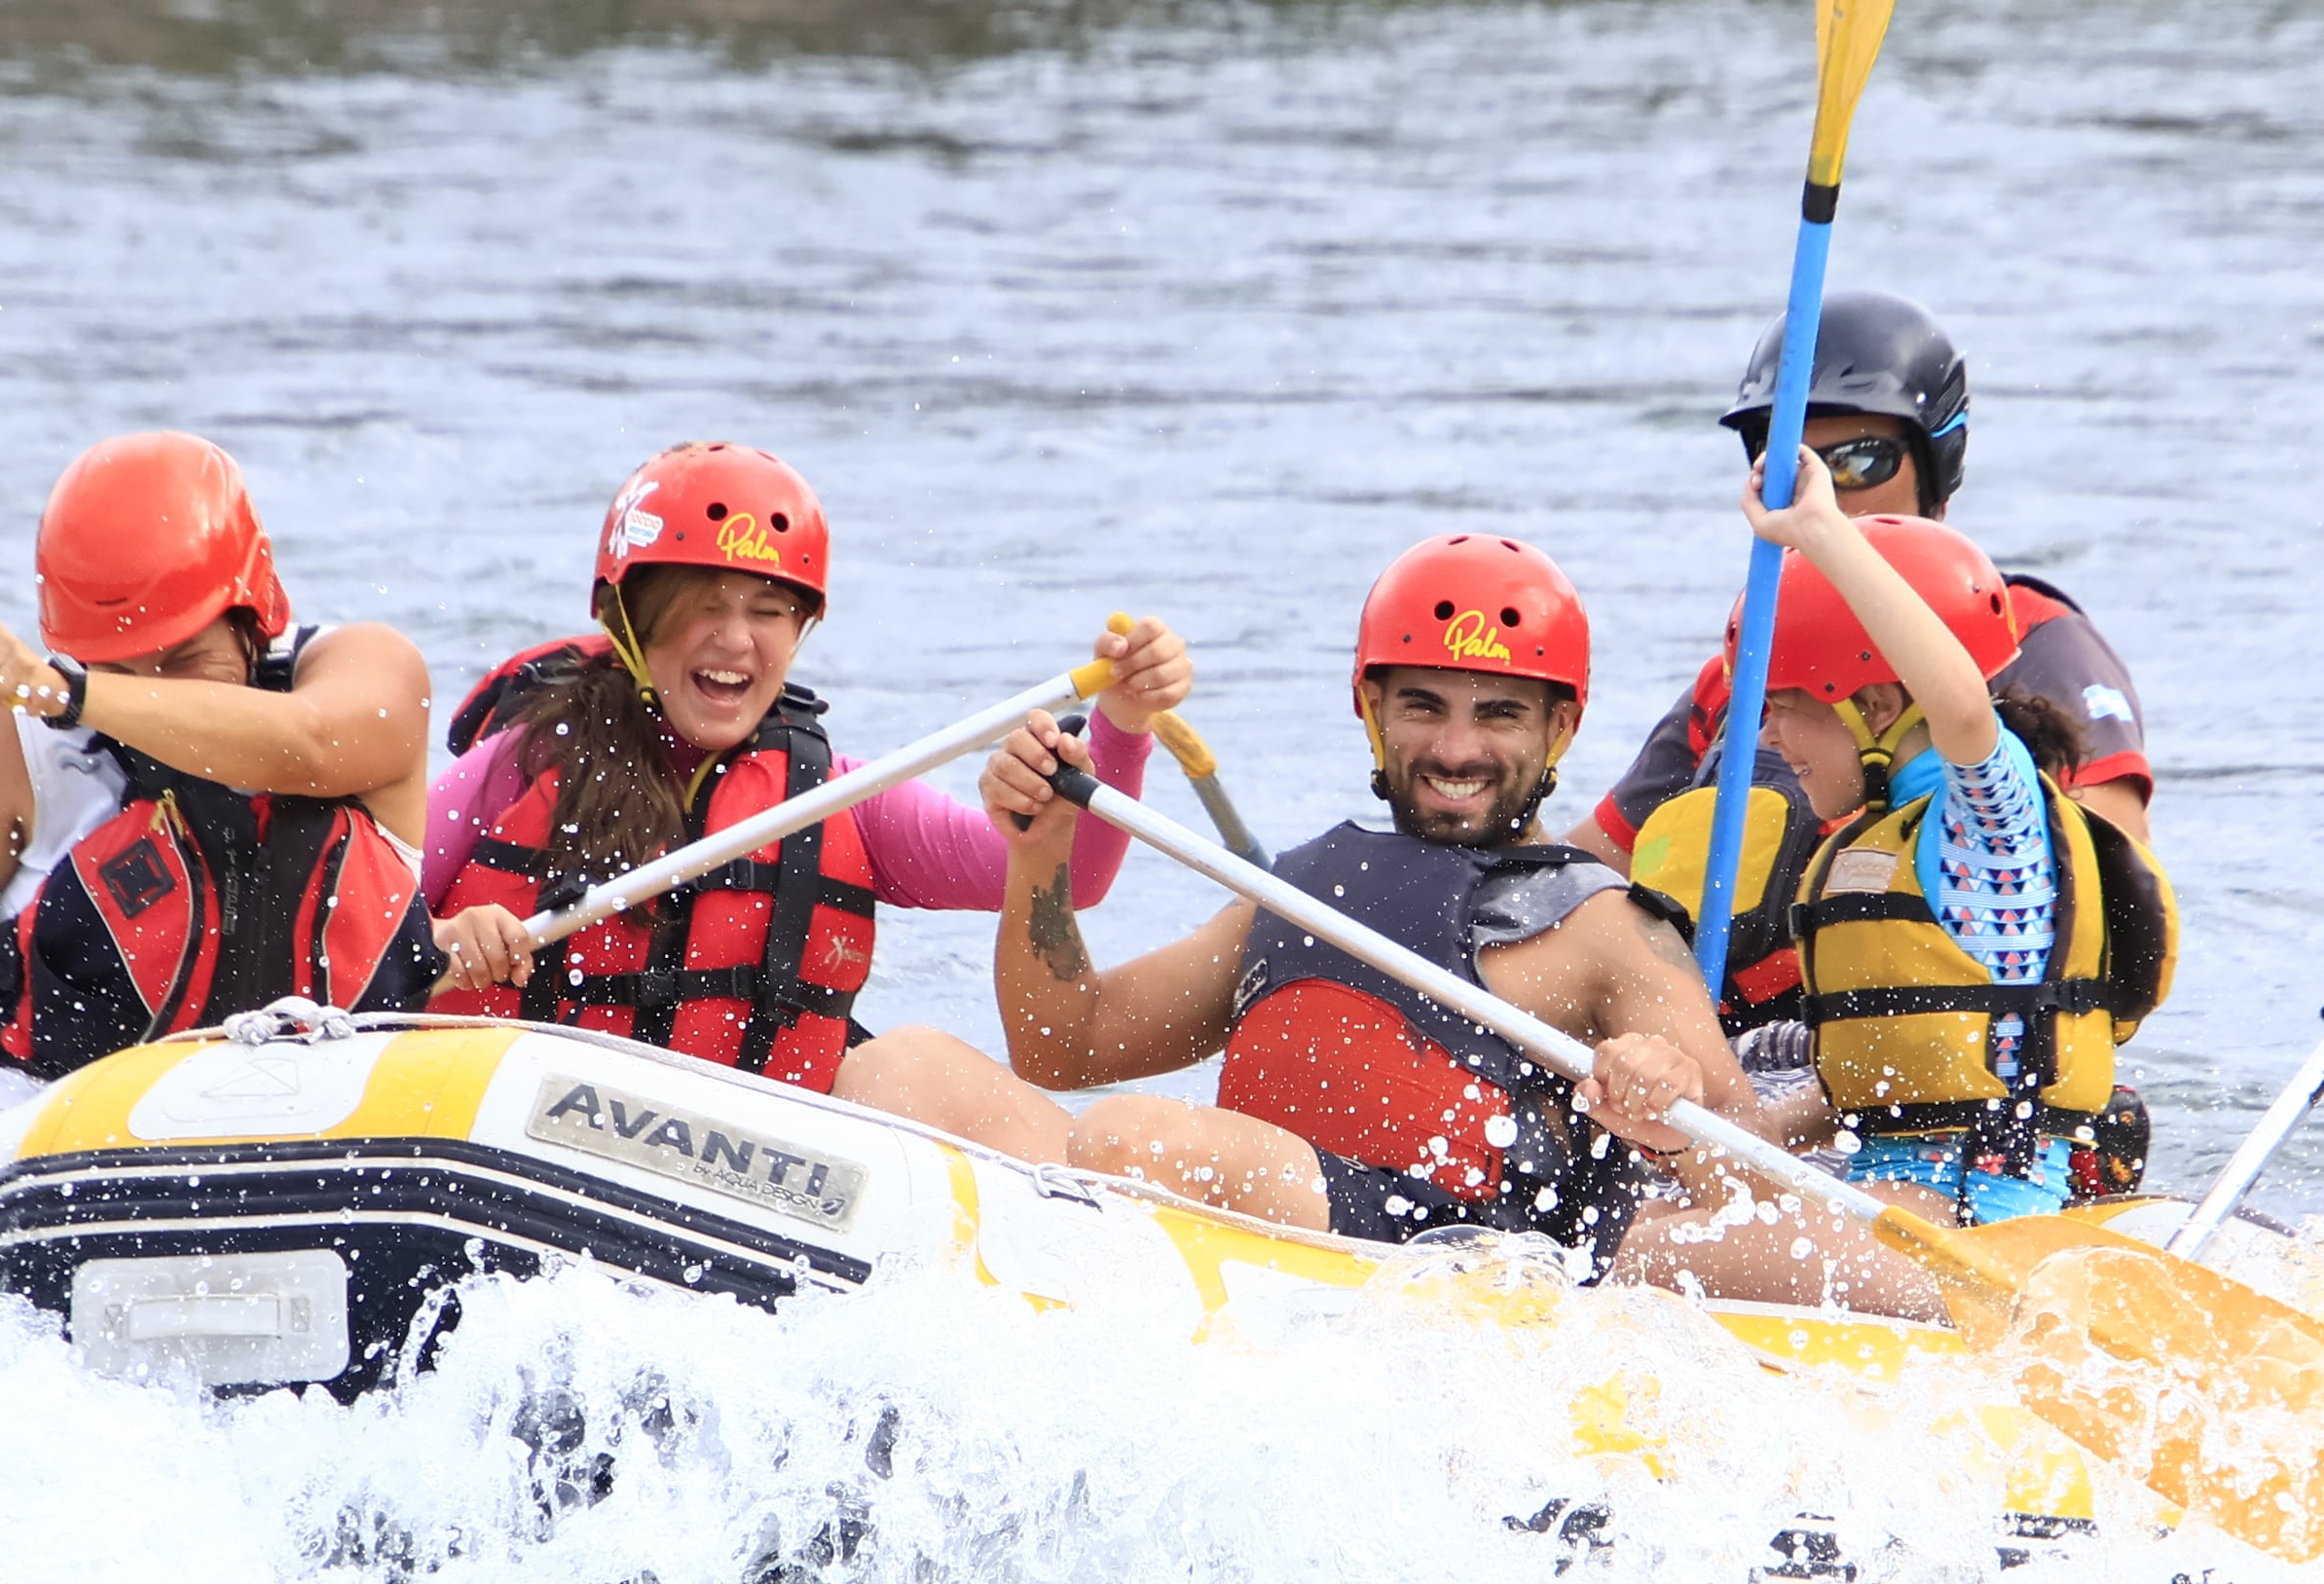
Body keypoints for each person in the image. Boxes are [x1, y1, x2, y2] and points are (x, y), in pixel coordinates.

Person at [908, 533, 1937, 1315]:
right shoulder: (1303, 889)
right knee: (909, 1066)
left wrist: (1666, 1099)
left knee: (1141, 1139)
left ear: (1558, 729)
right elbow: (1061, 1044)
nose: (1457, 750)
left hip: (1450, 1264)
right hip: (1259, 1237)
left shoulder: (1606, 926)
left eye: (1498, 715)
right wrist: (1037, 856)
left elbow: (1744, 1177)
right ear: (1370, 708)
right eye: (1424, 707)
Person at [0, 430, 480, 1169]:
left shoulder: (365, 672)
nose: (153, 694)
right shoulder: (22, 745)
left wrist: (74, 692)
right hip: (50, 1146)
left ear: (251, 608)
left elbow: (313, 742)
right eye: (119, 669)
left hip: (323, 1131)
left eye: (183, 660)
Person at [421, 440, 1191, 1103]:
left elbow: (1068, 875)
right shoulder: (517, 768)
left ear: (800, 629)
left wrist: (1122, 729)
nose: (734, 638)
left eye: (768, 609)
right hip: (503, 1127)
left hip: (736, 1176)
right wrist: (439, 939)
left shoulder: (841, 800)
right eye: (702, 603)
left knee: (909, 1067)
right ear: (628, 618)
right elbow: (342, 918)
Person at [1574, 285, 2158, 1033]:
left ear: (1933, 468)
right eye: (1795, 463)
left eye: (1857, 459)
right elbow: (1583, 872)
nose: (1824, 491)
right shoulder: (1745, 671)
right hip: (1741, 1062)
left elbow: (2103, 892)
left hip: (1963, 1049)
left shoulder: (2027, 640)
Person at [1729, 478, 2178, 1227]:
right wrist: (1760, 1133)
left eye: (1782, 709)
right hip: (1900, 1200)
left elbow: (1963, 705)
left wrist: (1821, 531)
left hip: (1975, 1221)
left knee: (1645, 1255)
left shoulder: (1990, 823)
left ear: (1872, 707)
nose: (1766, 737)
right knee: (1653, 1223)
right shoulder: (1887, 842)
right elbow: (1894, 1079)